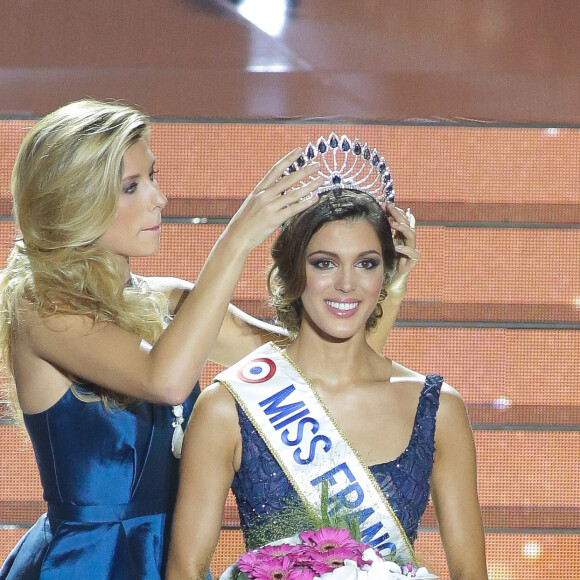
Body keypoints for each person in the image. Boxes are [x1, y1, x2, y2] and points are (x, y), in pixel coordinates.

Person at [0, 106, 414, 580]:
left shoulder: (169, 302)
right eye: (132, 186)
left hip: (171, 560)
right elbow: (166, 379)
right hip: (83, 565)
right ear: (77, 201)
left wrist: (386, 289)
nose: (160, 197)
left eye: (152, 175)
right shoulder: (41, 312)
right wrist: (236, 239)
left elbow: (319, 375)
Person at [166, 137, 488, 579]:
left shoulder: (437, 409)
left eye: (367, 263)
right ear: (292, 271)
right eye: (324, 263)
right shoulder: (228, 408)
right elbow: (184, 569)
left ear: (388, 272)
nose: (346, 284)